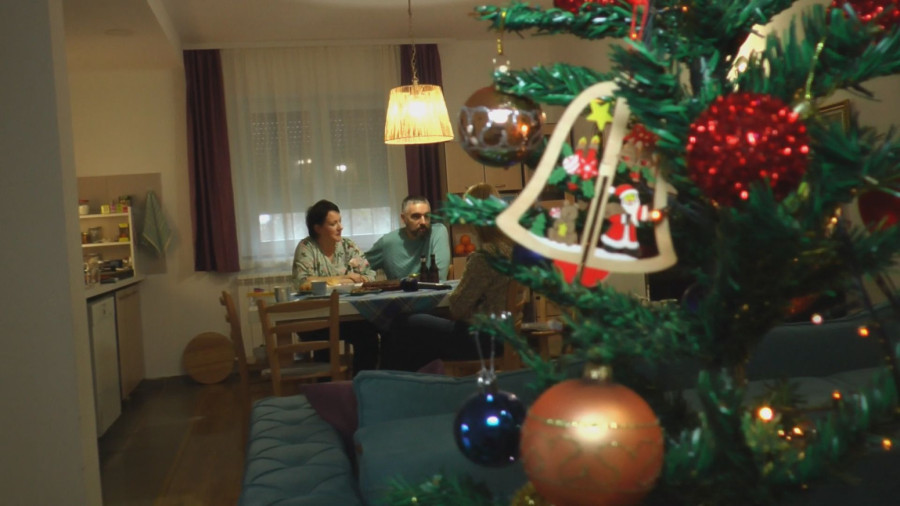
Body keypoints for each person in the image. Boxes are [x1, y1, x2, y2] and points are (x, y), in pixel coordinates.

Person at [384, 184, 512, 371]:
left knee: (403, 323)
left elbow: (457, 307)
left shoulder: (483, 257)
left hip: (482, 339)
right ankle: (413, 380)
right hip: (505, 335)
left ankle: (391, 381)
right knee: (416, 337)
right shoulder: (509, 250)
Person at [291, 199, 379, 373]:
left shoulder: (348, 246)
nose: (340, 227)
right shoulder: (306, 247)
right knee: (323, 343)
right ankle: (325, 386)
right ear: (318, 228)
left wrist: (341, 281)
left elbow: (369, 276)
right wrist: (344, 278)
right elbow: (303, 282)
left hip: (347, 316)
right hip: (315, 318)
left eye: (340, 221)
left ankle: (361, 383)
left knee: (368, 333)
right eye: (333, 224)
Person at [366, 195, 451, 281]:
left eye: (426, 216)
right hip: (399, 290)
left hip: (431, 289)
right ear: (403, 218)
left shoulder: (438, 232)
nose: (423, 222)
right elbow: (361, 267)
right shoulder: (388, 242)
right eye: (416, 217)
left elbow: (439, 277)